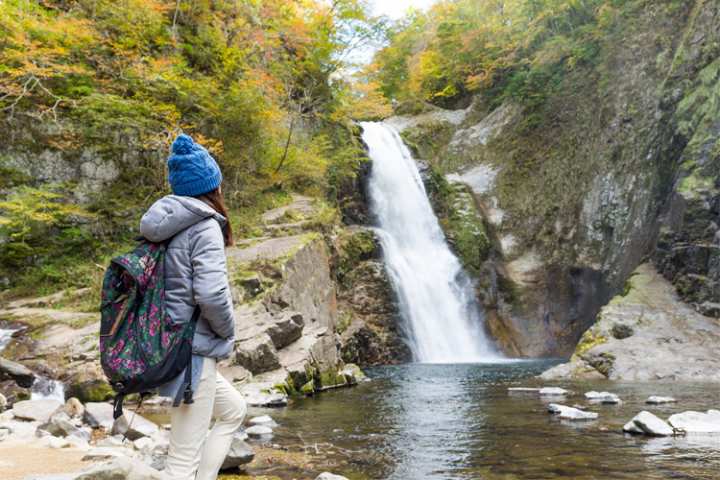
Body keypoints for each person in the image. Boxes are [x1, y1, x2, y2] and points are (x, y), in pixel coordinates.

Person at [139, 133, 246, 480]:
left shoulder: (168, 225)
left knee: (234, 411)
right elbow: (212, 294)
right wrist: (228, 333)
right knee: (181, 463)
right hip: (192, 354)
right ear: (212, 186)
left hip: (170, 344)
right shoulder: (204, 227)